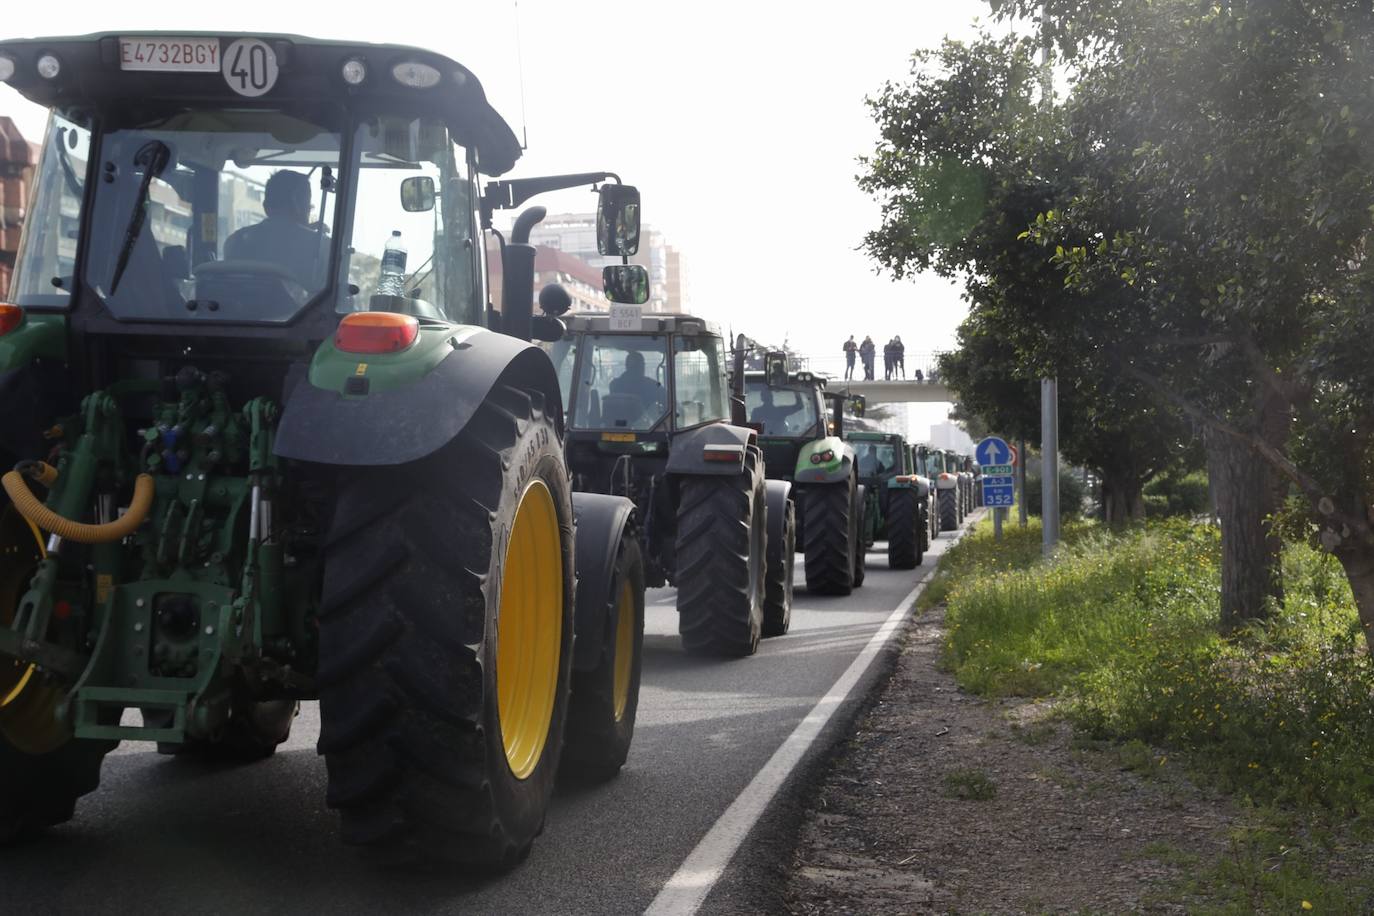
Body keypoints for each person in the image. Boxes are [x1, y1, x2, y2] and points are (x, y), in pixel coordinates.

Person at [224, 170, 329, 291]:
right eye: (309, 206)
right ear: (299, 205)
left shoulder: (234, 242)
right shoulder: (322, 246)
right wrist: (310, 235)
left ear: (265, 206)